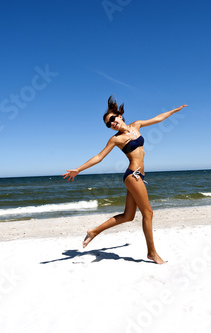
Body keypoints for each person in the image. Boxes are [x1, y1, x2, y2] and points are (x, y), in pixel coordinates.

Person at [63, 96, 187, 264]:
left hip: (139, 176)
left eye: (112, 119)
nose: (112, 123)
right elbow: (99, 157)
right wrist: (78, 169)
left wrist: (173, 111)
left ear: (120, 115)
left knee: (128, 216)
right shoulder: (116, 139)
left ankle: (94, 231)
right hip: (132, 175)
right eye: (108, 124)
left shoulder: (136, 125)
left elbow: (157, 119)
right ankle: (152, 253)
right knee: (148, 213)